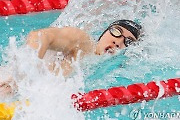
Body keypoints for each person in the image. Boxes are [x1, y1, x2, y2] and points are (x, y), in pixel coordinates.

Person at [0, 19, 142, 97]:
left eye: (128, 42)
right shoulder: (83, 43)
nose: (118, 42)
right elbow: (41, 36)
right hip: (7, 84)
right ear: (105, 32)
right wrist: (28, 70)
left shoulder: (97, 65)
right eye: (117, 31)